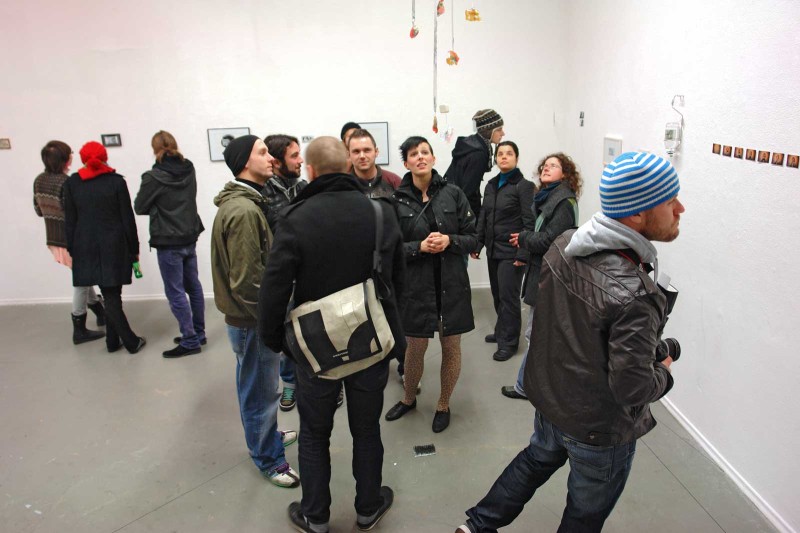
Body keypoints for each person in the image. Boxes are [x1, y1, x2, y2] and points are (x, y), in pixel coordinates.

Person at [458, 152, 683, 533]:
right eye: (670, 200)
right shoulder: (636, 293)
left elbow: (575, 331)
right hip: (597, 427)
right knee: (583, 514)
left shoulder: (564, 245)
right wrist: (663, 371)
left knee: (534, 461)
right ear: (636, 214)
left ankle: (475, 527)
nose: (680, 208)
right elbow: (632, 388)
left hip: (552, 401)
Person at [259, 136, 406, 533]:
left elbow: (275, 287)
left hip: (315, 348)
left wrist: (277, 341)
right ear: (348, 165)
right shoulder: (380, 212)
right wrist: (397, 335)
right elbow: (398, 281)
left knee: (314, 433)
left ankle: (316, 516)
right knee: (367, 429)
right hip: (369, 342)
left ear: (310, 170)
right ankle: (368, 508)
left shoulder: (294, 218)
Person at [210, 135, 299, 488]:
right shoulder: (245, 211)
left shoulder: (246, 203)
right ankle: (269, 459)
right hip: (251, 321)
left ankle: (268, 438)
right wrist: (271, 321)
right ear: (245, 162)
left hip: (248, 320)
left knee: (257, 386)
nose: (271, 158)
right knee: (260, 392)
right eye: (262, 153)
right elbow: (248, 283)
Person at [385, 136, 478, 433]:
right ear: (406, 163)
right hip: (416, 289)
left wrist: (450, 240)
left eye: (425, 152)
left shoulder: (453, 194)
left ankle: (443, 404)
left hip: (452, 285)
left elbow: (474, 238)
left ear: (434, 158)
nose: (421, 157)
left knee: (451, 347)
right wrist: (419, 248)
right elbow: (389, 249)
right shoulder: (396, 201)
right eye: (414, 154)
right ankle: (408, 398)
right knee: (415, 347)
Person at [501, 152, 582, 399]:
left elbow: (550, 241)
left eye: (553, 166)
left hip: (551, 276)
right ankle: (531, 385)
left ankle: (526, 387)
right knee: (538, 334)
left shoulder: (563, 202)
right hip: (542, 273)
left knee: (535, 334)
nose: (546, 168)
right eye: (545, 165)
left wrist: (524, 238)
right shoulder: (547, 198)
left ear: (565, 174)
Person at [64, 141, 146, 354]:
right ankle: (131, 341)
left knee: (109, 292)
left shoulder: (72, 183)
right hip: (114, 245)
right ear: (104, 157)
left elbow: (70, 221)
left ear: (83, 159)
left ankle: (112, 341)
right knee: (111, 294)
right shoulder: (116, 182)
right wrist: (134, 249)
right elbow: (127, 219)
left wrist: (72, 249)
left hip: (85, 247)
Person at [134, 131, 206, 358]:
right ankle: (199, 333)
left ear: (154, 149)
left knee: (175, 292)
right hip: (189, 235)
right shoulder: (189, 168)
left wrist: (159, 206)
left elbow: (140, 206)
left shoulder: (153, 177)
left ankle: (190, 340)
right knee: (193, 286)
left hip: (168, 239)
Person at [34, 140, 106, 345]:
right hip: (72, 238)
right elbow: (76, 213)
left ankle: (100, 312)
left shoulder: (39, 180)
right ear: (65, 159)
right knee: (82, 280)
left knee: (83, 275)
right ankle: (79, 327)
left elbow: (38, 210)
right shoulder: (67, 183)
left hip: (53, 237)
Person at [471, 141, 534, 362]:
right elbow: (484, 216)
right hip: (493, 249)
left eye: (509, 153)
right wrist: (478, 244)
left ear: (517, 158)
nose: (504, 157)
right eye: (500, 154)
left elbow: (529, 222)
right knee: (497, 295)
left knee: (509, 298)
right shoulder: (491, 185)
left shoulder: (524, 186)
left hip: (512, 251)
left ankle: (509, 342)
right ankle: (501, 331)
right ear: (496, 158)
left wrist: (523, 253)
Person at [263, 134, 309, 413]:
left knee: (315, 330)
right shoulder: (262, 194)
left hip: (308, 275)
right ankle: (290, 384)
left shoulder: (304, 188)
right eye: (294, 156)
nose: (300, 160)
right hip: (282, 278)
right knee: (286, 339)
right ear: (277, 161)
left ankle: (327, 381)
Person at [444, 109, 504, 217]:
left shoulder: (472, 145)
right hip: (460, 210)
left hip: (450, 201)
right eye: (499, 130)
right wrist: (474, 217)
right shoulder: (479, 154)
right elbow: (468, 191)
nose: (503, 133)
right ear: (489, 130)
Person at [347, 128, 402, 199]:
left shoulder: (394, 182)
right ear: (349, 155)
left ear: (376, 152)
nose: (362, 156)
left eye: (367, 150)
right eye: (356, 151)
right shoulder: (343, 185)